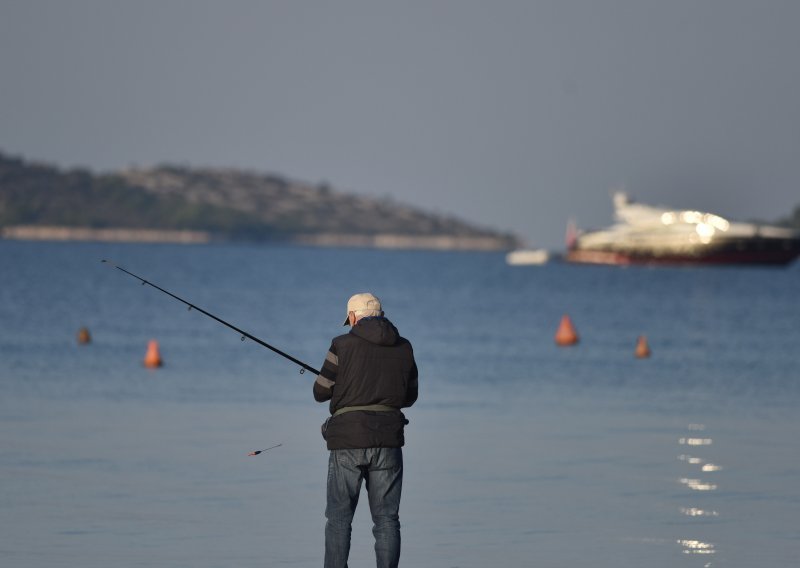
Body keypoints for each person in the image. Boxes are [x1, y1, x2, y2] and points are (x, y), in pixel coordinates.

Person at [314, 292, 418, 568]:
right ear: (380, 315)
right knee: (386, 519)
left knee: (338, 518)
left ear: (352, 317)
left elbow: (320, 392)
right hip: (388, 440)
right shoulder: (404, 347)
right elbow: (410, 396)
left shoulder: (341, 344)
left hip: (347, 438)